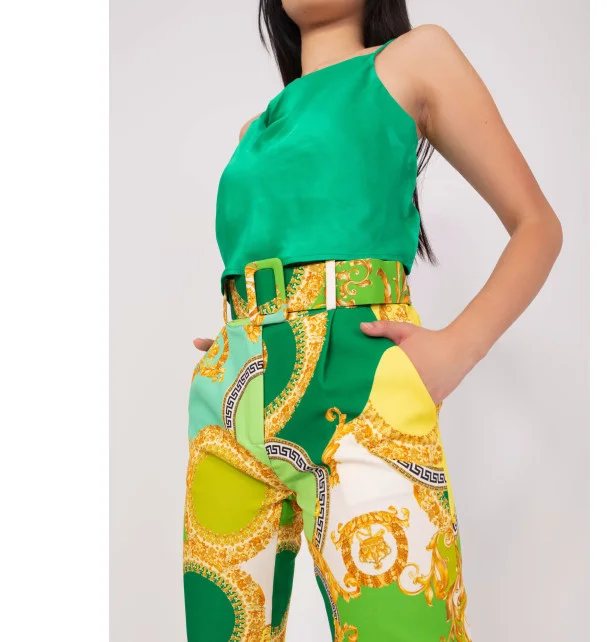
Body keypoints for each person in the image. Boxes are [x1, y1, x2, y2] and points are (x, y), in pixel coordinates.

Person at [183, 1, 563, 640]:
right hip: (230, 399)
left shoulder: (414, 58)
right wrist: (240, 334)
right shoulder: (255, 129)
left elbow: (538, 226)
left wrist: (458, 348)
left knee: (402, 624)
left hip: (361, 388)